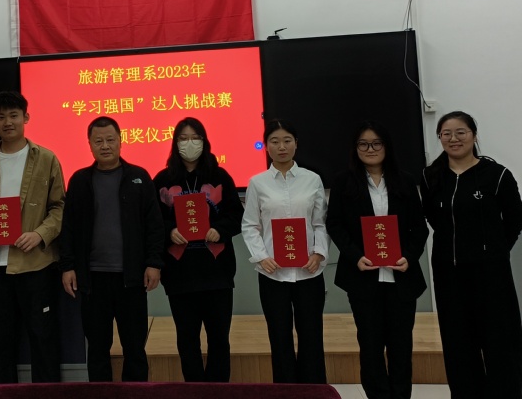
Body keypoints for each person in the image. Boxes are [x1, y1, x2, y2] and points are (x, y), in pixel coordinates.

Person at [420, 110, 522, 399]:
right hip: (448, 272)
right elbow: (433, 219)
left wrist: (494, 251)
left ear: (474, 136)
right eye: (446, 134)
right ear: (440, 138)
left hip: (491, 274)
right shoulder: (431, 177)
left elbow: (514, 221)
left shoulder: (497, 175)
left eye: (461, 132)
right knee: (458, 342)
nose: (454, 139)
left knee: (500, 340)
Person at [0, 90, 65, 383]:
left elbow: (59, 207)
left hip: (36, 265)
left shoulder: (46, 159)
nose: (7, 122)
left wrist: (40, 234)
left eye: (13, 115)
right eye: (1, 117)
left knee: (43, 341)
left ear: (26, 117)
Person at [327, 121, 429, 399]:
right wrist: (356, 256)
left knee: (401, 346)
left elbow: (419, 228)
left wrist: (409, 257)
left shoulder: (405, 180)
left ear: (386, 147)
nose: (370, 149)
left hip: (401, 277)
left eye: (376, 143)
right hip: (363, 276)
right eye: (363, 144)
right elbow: (335, 224)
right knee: (370, 345)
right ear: (355, 148)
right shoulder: (344, 182)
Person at [60, 116, 164, 381]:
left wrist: (154, 263)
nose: (105, 146)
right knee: (97, 349)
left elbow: (154, 225)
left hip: (132, 279)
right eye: (98, 141)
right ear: (89, 144)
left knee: (135, 349)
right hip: (93, 280)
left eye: (110, 140)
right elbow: (68, 227)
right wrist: (68, 266)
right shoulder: (80, 180)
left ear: (120, 141)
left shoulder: (139, 177)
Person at [152, 117, 242, 382]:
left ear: (204, 141)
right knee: (187, 339)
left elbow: (237, 216)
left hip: (217, 273)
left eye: (195, 138)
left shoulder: (219, 176)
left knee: (219, 339)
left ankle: (218, 390)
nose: (189, 143)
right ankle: (193, 389)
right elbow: (153, 221)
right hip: (180, 275)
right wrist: (170, 231)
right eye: (183, 138)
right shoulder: (163, 179)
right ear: (175, 143)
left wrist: (220, 229)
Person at [241, 119, 328, 384]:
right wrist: (261, 257)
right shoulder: (257, 183)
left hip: (309, 272)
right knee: (279, 337)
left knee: (311, 335)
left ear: (296, 144)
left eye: (287, 140)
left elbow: (320, 223)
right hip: (273, 273)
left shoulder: (312, 180)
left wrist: (318, 253)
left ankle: (313, 390)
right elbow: (250, 225)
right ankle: (286, 390)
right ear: (266, 146)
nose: (281, 147)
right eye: (275, 141)